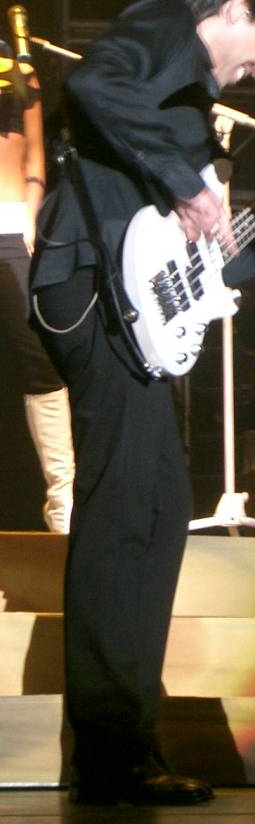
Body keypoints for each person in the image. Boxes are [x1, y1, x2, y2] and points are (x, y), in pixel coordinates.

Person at [30, 0, 255, 806]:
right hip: (95, 297)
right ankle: (111, 756)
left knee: (152, 509)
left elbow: (190, 262)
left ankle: (125, 743)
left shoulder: (192, 101)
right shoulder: (163, 24)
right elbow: (97, 91)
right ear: (230, 5)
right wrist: (188, 182)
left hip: (134, 312)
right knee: (125, 513)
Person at [0, 33, 74, 533]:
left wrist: (29, 219)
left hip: (8, 227)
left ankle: (63, 502)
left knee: (43, 360)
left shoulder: (18, 66)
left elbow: (34, 162)